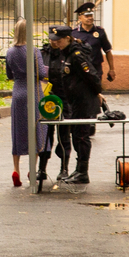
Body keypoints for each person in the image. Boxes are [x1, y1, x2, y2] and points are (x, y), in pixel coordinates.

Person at [39, 25, 103, 185]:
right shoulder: (67, 54)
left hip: (83, 102)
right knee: (76, 136)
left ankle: (83, 172)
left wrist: (97, 94)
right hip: (75, 102)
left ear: (68, 38)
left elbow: (91, 75)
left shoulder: (76, 55)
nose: (57, 43)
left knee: (81, 136)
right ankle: (79, 170)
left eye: (59, 40)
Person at [5, 22, 48, 187]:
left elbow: (9, 74)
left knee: (18, 130)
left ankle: (16, 169)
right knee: (37, 129)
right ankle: (33, 168)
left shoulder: (9, 52)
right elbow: (42, 73)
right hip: (34, 92)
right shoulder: (34, 50)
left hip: (18, 93)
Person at [72, 2, 116, 84]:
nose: (90, 18)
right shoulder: (74, 33)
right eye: (86, 16)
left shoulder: (100, 32)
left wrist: (112, 69)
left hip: (96, 68)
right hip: (80, 70)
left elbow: (108, 51)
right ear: (80, 18)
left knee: (96, 93)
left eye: (91, 15)